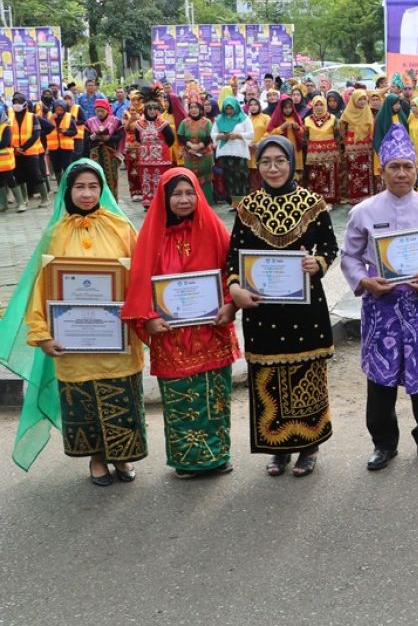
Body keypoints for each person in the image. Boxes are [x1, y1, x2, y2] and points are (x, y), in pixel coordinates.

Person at [1, 159, 145, 481]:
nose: (86, 193)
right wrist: (41, 334)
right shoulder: (56, 233)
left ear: (103, 188)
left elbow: (140, 279)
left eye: (93, 186)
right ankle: (96, 458)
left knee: (122, 397)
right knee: (84, 404)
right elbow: (42, 286)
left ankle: (123, 458)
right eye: (79, 186)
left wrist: (141, 320)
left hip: (117, 339)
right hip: (73, 344)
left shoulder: (122, 228)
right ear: (67, 190)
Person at [340, 125, 418, 471]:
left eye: (407, 167)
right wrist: (364, 280)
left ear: (417, 170)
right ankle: (383, 444)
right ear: (382, 171)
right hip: (381, 309)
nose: (401, 173)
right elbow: (348, 256)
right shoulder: (363, 212)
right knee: (380, 380)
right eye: (394, 167)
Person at [226, 137, 338, 478]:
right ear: (257, 166)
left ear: (292, 163)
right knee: (268, 377)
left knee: (305, 373)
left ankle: (308, 446)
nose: (273, 168)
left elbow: (330, 247)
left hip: (304, 307)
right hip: (262, 308)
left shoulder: (313, 203)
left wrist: (317, 264)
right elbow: (234, 255)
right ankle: (278, 450)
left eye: (280, 161)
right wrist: (234, 289)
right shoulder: (247, 207)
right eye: (266, 162)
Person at [122, 169, 240, 478]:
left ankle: (217, 455)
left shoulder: (214, 229)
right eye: (177, 194)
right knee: (180, 400)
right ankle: (186, 461)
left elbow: (233, 270)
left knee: (214, 398)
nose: (184, 199)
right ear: (164, 198)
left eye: (190, 193)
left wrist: (230, 304)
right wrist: (148, 319)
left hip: (211, 330)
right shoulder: (150, 237)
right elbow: (138, 285)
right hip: (171, 335)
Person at [130, 98, 176, 210]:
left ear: (157, 110)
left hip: (161, 158)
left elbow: (171, 139)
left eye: (154, 109)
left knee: (160, 179)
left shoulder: (164, 124)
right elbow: (138, 138)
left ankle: (161, 202)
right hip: (145, 157)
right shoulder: (139, 124)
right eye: (149, 109)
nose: (151, 111)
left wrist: (160, 148)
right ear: (145, 111)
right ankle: (148, 202)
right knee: (146, 179)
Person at [214, 91, 254, 209]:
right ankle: (235, 204)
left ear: (236, 107)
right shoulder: (220, 119)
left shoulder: (244, 118)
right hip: (225, 153)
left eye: (231, 108)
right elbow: (213, 134)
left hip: (239, 153)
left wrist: (238, 136)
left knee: (241, 178)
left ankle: (244, 203)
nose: (229, 111)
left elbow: (251, 134)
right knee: (229, 178)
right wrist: (221, 136)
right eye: (227, 109)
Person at [340, 89, 377, 204]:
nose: (362, 102)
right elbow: (342, 130)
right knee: (354, 171)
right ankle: (355, 197)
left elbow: (371, 127)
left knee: (366, 171)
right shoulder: (347, 113)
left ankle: (367, 196)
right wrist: (346, 141)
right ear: (354, 99)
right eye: (359, 99)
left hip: (366, 146)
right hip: (352, 145)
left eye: (364, 99)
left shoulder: (368, 111)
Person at [82, 96, 123, 201]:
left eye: (102, 111)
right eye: (97, 111)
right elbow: (85, 139)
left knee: (111, 177)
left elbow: (120, 136)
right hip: (94, 153)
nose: (99, 113)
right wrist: (93, 137)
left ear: (107, 110)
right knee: (96, 177)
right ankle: (97, 200)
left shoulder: (115, 121)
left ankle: (112, 201)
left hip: (110, 153)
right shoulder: (89, 122)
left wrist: (108, 138)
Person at [303, 96, 341, 205]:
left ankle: (330, 201)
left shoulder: (333, 119)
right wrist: (315, 146)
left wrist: (329, 146)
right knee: (314, 176)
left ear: (325, 105)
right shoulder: (307, 120)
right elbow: (305, 137)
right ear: (313, 106)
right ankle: (315, 200)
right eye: (316, 105)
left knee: (330, 176)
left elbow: (338, 136)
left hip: (330, 153)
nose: (319, 107)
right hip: (313, 155)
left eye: (321, 105)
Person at [178, 99, 215, 204]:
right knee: (191, 177)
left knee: (206, 178)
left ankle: (206, 201)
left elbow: (209, 136)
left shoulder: (207, 122)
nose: (193, 110)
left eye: (196, 107)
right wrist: (190, 145)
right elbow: (181, 136)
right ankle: (193, 201)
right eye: (191, 107)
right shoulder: (184, 122)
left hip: (205, 154)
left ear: (200, 109)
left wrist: (199, 146)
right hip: (189, 154)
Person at [267, 96, 305, 173]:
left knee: (296, 171)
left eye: (290, 107)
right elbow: (271, 133)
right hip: (282, 148)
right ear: (281, 108)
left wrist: (298, 128)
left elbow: (303, 133)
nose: (288, 110)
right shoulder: (277, 117)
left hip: (295, 149)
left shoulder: (295, 116)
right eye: (285, 108)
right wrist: (282, 127)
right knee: (285, 169)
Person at [45, 99, 80, 182]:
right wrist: (50, 119)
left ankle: (68, 184)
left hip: (67, 148)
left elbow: (74, 132)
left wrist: (66, 132)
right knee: (56, 167)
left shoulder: (69, 117)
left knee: (66, 166)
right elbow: (45, 129)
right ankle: (60, 185)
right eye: (57, 109)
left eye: (61, 109)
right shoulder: (49, 117)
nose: (59, 112)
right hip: (53, 148)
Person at [245, 97, 271, 193]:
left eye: (255, 105)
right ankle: (255, 196)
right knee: (253, 174)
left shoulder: (266, 117)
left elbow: (269, 131)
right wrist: (249, 144)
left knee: (263, 172)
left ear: (259, 106)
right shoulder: (246, 119)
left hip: (262, 149)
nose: (253, 107)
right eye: (251, 105)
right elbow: (243, 133)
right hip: (250, 150)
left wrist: (259, 143)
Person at [122, 92, 144, 202]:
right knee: (131, 168)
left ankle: (145, 191)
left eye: (138, 99)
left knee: (143, 167)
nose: (136, 102)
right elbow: (125, 128)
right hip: (130, 143)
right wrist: (131, 120)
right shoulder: (127, 111)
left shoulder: (146, 111)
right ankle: (135, 191)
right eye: (133, 100)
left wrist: (139, 119)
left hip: (143, 143)